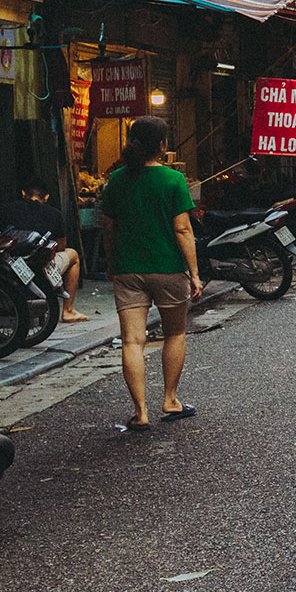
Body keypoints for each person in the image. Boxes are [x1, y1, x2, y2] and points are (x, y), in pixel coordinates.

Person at [100, 117, 202, 430]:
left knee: (132, 340)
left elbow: (108, 227)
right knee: (175, 333)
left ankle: (140, 412)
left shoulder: (116, 180)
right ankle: (170, 400)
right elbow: (183, 229)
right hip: (168, 267)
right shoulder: (173, 180)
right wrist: (194, 273)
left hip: (128, 269)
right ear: (162, 145)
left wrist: (111, 263)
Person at [4, 181, 90, 323]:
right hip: (40, 266)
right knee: (73, 254)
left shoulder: (7, 210)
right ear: (46, 197)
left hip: (10, 264)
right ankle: (68, 310)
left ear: (23, 194)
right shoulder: (54, 214)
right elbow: (61, 246)